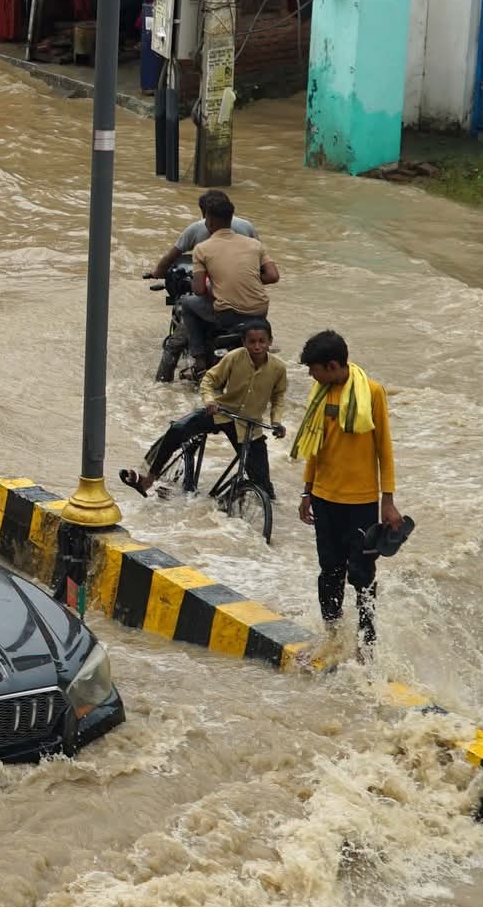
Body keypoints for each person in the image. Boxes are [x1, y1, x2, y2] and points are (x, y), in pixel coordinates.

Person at [291, 330, 403, 649]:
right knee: (329, 571)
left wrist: (389, 501)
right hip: (325, 500)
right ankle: (333, 637)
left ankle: (367, 643)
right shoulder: (320, 392)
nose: (311, 375)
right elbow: (316, 446)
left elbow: (385, 449)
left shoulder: (372, 392)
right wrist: (306, 491)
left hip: (362, 503)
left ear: (332, 365)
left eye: (314, 368)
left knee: (362, 574)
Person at [121, 317, 287, 499]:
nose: (257, 346)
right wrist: (210, 400)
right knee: (177, 429)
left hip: (249, 424)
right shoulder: (234, 357)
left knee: (265, 488)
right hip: (221, 412)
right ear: (243, 342)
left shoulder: (278, 368)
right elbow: (209, 380)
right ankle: (148, 479)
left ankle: (229, 503)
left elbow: (278, 396)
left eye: (262, 341)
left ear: (270, 341)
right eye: (252, 342)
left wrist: (276, 421)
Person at [183, 192, 279, 366]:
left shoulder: (202, 249)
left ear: (209, 222)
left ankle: (199, 360)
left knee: (187, 304)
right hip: (260, 312)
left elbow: (199, 290)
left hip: (228, 316)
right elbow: (273, 276)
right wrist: (252, 279)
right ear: (231, 218)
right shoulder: (254, 244)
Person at [146, 189, 256, 279]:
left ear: (206, 216)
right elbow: (262, 264)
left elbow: (171, 256)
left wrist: (157, 273)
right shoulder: (247, 226)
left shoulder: (197, 230)